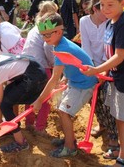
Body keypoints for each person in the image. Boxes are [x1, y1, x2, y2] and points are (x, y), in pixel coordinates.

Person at [82, 0, 124, 167]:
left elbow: (119, 56)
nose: (105, 9)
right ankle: (120, 152)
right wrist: (104, 73)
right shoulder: (110, 23)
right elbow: (108, 53)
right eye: (102, 4)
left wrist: (96, 70)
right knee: (118, 117)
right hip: (115, 79)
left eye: (111, 5)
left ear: (123, 3)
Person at [32, 13, 98, 158]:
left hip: (83, 84)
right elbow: (71, 64)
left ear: (59, 32)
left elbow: (54, 78)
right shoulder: (60, 44)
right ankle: (69, 139)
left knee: (64, 112)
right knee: (61, 108)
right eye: (43, 35)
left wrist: (39, 101)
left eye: (48, 34)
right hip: (75, 82)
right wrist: (66, 78)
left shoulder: (63, 48)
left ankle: (70, 147)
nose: (45, 38)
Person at [79, 0, 119, 158]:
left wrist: (103, 70)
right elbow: (86, 46)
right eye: (102, 8)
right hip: (91, 65)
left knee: (107, 100)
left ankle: (114, 137)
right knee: (92, 99)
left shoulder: (110, 23)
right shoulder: (84, 22)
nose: (106, 12)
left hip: (108, 66)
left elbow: (109, 49)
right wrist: (92, 69)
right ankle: (102, 124)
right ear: (95, 9)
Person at [23, 0, 57, 135]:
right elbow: (47, 47)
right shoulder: (47, 27)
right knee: (45, 98)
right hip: (41, 66)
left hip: (27, 64)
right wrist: (54, 64)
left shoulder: (34, 28)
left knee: (30, 95)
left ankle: (29, 123)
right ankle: (40, 127)